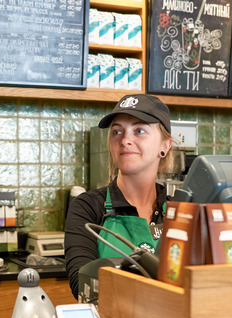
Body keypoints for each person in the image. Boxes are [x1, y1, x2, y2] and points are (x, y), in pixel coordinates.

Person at [64, 94, 174, 300]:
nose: (125, 140)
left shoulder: (180, 211)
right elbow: (83, 286)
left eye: (139, 131)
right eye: (117, 132)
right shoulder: (88, 207)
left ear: (165, 145)